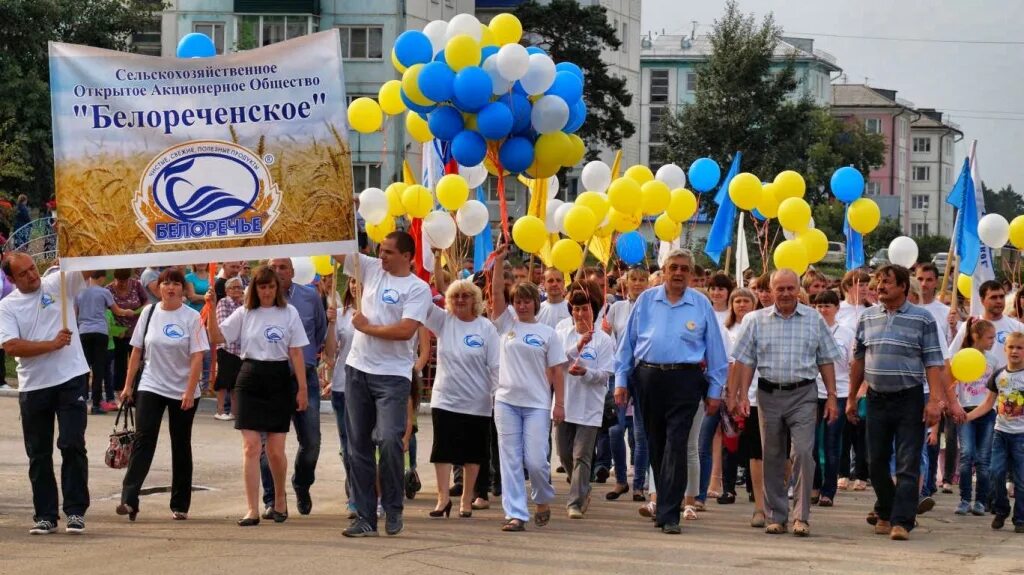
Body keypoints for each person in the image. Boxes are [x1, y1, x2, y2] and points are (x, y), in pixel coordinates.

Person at [614, 248, 728, 535]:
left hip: (686, 380)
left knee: (677, 443)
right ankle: (665, 503)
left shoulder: (701, 304)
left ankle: (669, 514)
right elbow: (627, 343)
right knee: (655, 444)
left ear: (691, 274)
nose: (678, 273)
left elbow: (715, 349)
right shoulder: (646, 300)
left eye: (684, 269)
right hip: (648, 377)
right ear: (664, 271)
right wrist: (620, 381)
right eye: (673, 267)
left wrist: (716, 390)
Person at [335, 231, 431, 537]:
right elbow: (337, 248)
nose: (382, 256)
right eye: (380, 250)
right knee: (357, 447)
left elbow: (405, 331)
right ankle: (364, 516)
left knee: (390, 440)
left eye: (389, 252)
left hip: (393, 375)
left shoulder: (418, 289)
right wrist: (350, 216)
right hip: (357, 370)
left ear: (407, 256)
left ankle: (393, 506)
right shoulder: (371, 268)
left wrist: (368, 328)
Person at [731, 269, 841, 537]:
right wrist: (742, 395)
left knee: (803, 452)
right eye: (780, 289)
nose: (785, 294)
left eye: (791, 288)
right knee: (772, 456)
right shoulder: (755, 320)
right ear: (770, 289)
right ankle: (775, 515)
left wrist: (832, 397)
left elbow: (826, 359)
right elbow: (745, 360)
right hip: (768, 395)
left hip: (804, 394)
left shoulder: (814, 319)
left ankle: (800, 516)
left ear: (798, 289)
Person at [846, 264, 950, 541]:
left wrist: (935, 402)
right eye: (878, 281)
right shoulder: (867, 317)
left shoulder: (923, 319)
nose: (879, 286)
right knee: (875, 461)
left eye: (887, 282)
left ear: (904, 286)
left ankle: (901, 521)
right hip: (876, 399)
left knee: (907, 461)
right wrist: (852, 397)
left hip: (910, 399)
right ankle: (886, 508)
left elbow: (933, 362)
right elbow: (858, 360)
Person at [206, 265, 309, 526]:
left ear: (277, 288)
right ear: (256, 289)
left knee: (275, 450)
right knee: (251, 447)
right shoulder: (245, 312)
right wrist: (211, 307)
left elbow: (296, 352)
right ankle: (252, 508)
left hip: (278, 379)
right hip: (250, 376)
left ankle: (280, 499)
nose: (267, 292)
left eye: (271, 287)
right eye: (262, 287)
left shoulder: (289, 313)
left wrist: (302, 388)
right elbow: (217, 336)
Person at [0, 252, 92, 534]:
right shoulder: (7, 307)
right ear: (12, 279)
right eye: (24, 273)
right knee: (39, 453)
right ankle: (45, 515)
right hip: (34, 386)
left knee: (71, 443)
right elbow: (12, 346)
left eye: (33, 268)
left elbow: (90, 264)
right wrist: (51, 344)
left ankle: (75, 511)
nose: (32, 275)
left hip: (71, 377)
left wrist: (72, 240)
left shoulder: (58, 283)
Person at [116, 268, 208, 521]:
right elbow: (136, 351)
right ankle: (129, 499)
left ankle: (180, 503)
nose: (170, 288)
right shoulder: (149, 313)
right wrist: (127, 386)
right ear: (158, 288)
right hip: (151, 384)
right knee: (144, 439)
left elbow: (198, 356)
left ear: (182, 289)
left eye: (175, 284)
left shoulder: (191, 317)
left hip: (183, 389)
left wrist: (190, 391)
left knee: (180, 443)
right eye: (165, 283)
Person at [490, 242, 566, 532]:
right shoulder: (506, 325)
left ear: (535, 302)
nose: (521, 305)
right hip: (506, 401)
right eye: (517, 301)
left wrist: (559, 403)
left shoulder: (548, 333)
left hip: (536, 403)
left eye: (526, 301)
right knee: (510, 460)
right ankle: (516, 514)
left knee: (535, 461)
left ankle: (543, 498)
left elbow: (558, 371)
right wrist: (499, 260)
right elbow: (496, 291)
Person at [421, 276, 500, 518]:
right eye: (455, 295)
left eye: (466, 295)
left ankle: (467, 499)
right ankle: (443, 498)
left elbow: (496, 366)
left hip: (477, 402)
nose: (460, 300)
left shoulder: (486, 328)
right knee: (442, 450)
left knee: (473, 453)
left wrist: (498, 397)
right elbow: (422, 302)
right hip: (445, 398)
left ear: (475, 300)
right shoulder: (444, 321)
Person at [260, 258, 327, 518]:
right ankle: (272, 499)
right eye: (273, 267)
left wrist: (306, 358)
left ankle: (301, 484)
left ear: (293, 271)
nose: (278, 273)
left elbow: (319, 332)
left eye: (283, 267)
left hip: (305, 378)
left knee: (311, 441)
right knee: (268, 445)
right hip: (271, 378)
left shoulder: (310, 297)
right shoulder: (258, 299)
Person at [557, 281, 614, 519]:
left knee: (582, 455)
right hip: (564, 404)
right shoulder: (562, 333)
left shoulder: (603, 340)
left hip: (589, 406)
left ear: (595, 310)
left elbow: (605, 375)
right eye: (576, 309)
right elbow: (557, 363)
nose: (580, 314)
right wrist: (577, 346)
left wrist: (586, 373)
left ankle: (576, 502)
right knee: (565, 454)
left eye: (585, 309)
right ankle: (582, 487)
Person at [965, 332, 1024, 532]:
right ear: (1005, 349)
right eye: (1012, 347)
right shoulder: (999, 375)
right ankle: (1001, 509)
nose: (1015, 351)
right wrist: (968, 416)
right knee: (995, 472)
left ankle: (1020, 519)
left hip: (1021, 436)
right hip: (1001, 433)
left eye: (1020, 347)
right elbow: (988, 404)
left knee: (1021, 480)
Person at [720, 288, 767, 527]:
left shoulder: (764, 322)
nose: (741, 304)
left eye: (745, 300)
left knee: (780, 453)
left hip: (776, 395)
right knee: (749, 449)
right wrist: (734, 394)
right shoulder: (733, 328)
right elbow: (736, 362)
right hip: (750, 397)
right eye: (736, 300)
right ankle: (755, 502)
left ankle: (769, 495)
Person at [605, 266, 649, 502]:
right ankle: (621, 480)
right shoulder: (616, 308)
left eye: (643, 279)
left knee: (642, 433)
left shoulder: (652, 308)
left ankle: (639, 484)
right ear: (626, 282)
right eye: (634, 279)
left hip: (643, 374)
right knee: (615, 429)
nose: (638, 283)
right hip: (619, 374)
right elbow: (609, 339)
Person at [811, 290, 856, 507]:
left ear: (837, 308)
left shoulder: (846, 333)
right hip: (811, 392)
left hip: (837, 392)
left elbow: (852, 364)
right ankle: (814, 484)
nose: (823, 310)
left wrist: (853, 396)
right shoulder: (810, 330)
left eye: (827, 305)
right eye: (819, 305)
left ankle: (829, 490)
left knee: (831, 442)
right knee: (809, 443)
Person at [953, 318, 996, 516]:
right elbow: (951, 384)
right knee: (966, 455)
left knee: (983, 459)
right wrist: (952, 405)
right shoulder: (961, 357)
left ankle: (980, 501)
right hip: (965, 411)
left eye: (994, 338)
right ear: (976, 336)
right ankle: (964, 499)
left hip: (987, 413)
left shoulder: (993, 360)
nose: (993, 341)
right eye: (989, 338)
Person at [75, 270, 134, 414]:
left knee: (84, 367)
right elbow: (117, 310)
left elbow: (75, 313)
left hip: (83, 331)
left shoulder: (79, 293)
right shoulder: (104, 292)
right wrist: (128, 312)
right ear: (101, 278)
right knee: (98, 368)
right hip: (100, 332)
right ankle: (96, 404)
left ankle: (81, 400)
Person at [323, 277, 358, 518]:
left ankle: (374, 493)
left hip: (369, 386)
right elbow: (330, 351)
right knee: (347, 447)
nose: (356, 285)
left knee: (367, 445)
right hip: (342, 386)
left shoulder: (379, 311)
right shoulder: (342, 314)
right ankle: (355, 495)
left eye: (361, 281)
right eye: (353, 281)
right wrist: (332, 324)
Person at [107, 269, 149, 403]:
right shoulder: (108, 290)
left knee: (138, 362)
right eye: (120, 281)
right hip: (119, 332)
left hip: (136, 329)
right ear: (115, 279)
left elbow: (147, 302)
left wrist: (139, 311)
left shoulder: (136, 285)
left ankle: (137, 393)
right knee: (120, 363)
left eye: (125, 281)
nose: (123, 284)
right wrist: (115, 328)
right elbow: (106, 311)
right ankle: (121, 394)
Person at [213, 277, 245, 421]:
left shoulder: (245, 304)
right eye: (233, 288)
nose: (237, 290)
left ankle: (234, 412)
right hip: (226, 347)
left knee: (236, 382)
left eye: (239, 287)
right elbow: (222, 324)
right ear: (226, 290)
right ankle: (220, 411)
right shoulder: (223, 302)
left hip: (241, 349)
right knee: (223, 380)